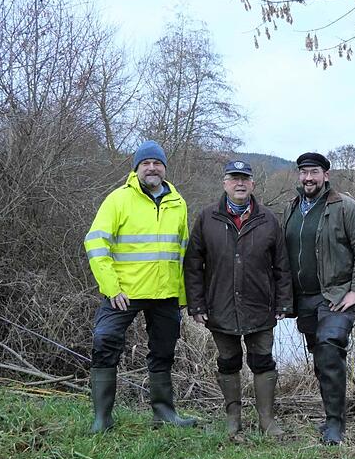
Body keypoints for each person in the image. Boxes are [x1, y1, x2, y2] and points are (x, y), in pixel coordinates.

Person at [84, 140, 196, 433]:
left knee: (164, 351)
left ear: (164, 168)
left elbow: (182, 250)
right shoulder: (119, 199)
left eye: (157, 163)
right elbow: (95, 243)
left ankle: (164, 413)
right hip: (124, 293)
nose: (151, 167)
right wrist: (111, 287)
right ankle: (102, 419)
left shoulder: (178, 202)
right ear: (136, 168)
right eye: (145, 163)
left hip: (166, 294)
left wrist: (182, 295)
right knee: (104, 343)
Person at [184, 160, 292, 438]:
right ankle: (234, 419)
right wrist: (196, 304)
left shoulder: (268, 219)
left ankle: (267, 420)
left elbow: (282, 265)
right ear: (225, 183)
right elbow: (193, 264)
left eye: (245, 179)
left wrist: (283, 303)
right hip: (220, 307)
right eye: (234, 178)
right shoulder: (207, 218)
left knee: (263, 361)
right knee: (228, 362)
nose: (240, 183)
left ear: (253, 184)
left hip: (260, 308)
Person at [283, 152, 355, 444]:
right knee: (319, 357)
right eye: (303, 172)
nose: (308, 178)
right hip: (305, 299)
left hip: (336, 296)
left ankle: (336, 424)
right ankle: (329, 415)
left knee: (329, 348)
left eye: (314, 172)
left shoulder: (345, 207)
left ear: (326, 175)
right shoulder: (292, 208)